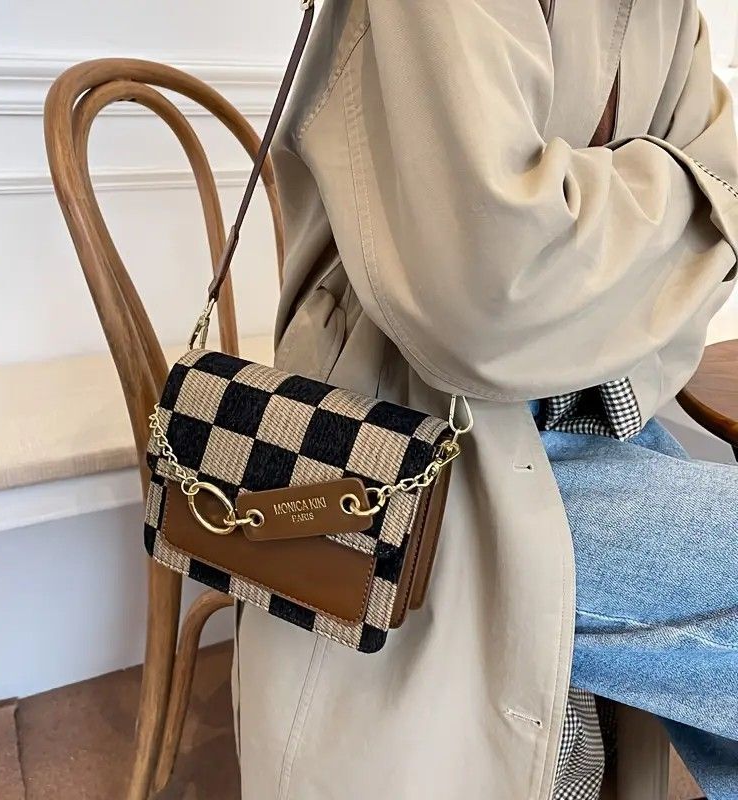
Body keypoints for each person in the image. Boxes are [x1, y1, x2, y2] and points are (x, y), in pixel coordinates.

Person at [232, 2, 738, 798]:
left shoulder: (669, 13)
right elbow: (492, 295)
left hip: (598, 414)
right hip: (399, 443)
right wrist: (687, 192)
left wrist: (581, 221)